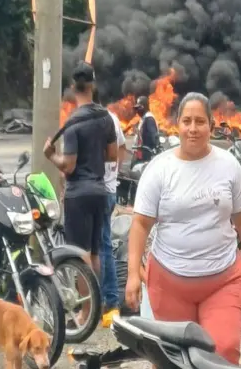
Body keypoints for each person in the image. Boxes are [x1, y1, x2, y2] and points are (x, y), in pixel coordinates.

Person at [125, 92, 241, 364]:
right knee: (173, 360)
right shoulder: (159, 170)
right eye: (187, 121)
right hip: (169, 283)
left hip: (222, 280)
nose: (193, 129)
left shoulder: (228, 166)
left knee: (222, 353)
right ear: (177, 124)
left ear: (211, 127)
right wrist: (133, 274)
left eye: (200, 122)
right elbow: (141, 224)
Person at [43, 61, 118, 323]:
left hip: (78, 195)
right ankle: (95, 309)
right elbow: (112, 155)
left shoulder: (73, 122)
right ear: (93, 84)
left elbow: (69, 164)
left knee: (79, 254)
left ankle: (85, 312)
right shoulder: (105, 117)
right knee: (95, 253)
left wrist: (51, 155)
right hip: (100, 192)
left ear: (73, 87)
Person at [95, 91, 126, 326]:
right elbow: (121, 148)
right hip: (109, 189)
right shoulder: (113, 119)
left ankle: (105, 302)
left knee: (98, 248)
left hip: (96, 191)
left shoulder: (92, 119)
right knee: (104, 246)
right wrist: (115, 173)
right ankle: (108, 303)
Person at [134, 96, 159, 161]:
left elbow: (154, 137)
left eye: (138, 108)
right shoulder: (144, 118)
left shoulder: (149, 119)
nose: (137, 111)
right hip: (141, 153)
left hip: (147, 155)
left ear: (143, 107)